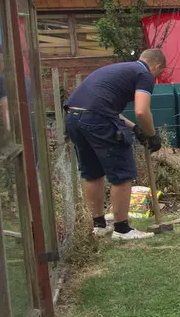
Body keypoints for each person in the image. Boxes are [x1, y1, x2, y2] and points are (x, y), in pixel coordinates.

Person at [63, 48, 167, 240]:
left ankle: (99, 226)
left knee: (93, 173)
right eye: (159, 73)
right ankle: (122, 229)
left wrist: (135, 128)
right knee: (122, 172)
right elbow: (142, 111)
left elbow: (101, 106)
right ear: (157, 66)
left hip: (73, 117)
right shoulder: (144, 74)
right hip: (96, 120)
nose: (156, 77)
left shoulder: (119, 69)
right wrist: (152, 135)